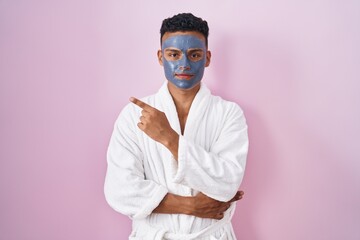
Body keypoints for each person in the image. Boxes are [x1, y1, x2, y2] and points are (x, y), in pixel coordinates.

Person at [104, 13, 249, 239]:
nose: (184, 64)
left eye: (194, 55)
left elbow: (227, 183)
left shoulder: (228, 114)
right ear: (161, 57)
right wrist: (190, 206)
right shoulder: (134, 115)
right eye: (174, 54)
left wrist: (169, 138)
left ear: (207, 58)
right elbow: (119, 191)